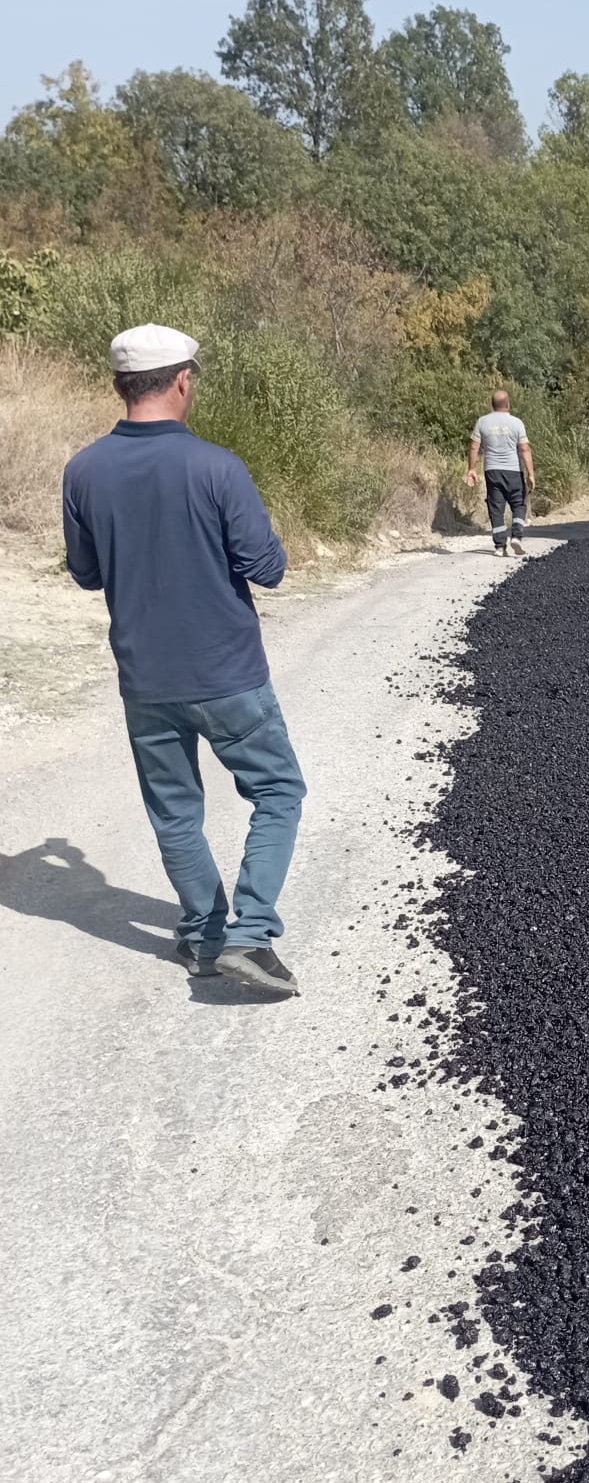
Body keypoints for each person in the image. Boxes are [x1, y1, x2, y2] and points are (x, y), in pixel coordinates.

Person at [61, 325, 306, 998]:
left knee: (175, 814)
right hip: (227, 675)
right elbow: (270, 569)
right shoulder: (217, 467)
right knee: (279, 792)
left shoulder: (83, 471)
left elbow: (85, 574)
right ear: (182, 381)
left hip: (145, 679)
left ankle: (204, 938)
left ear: (119, 386)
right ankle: (251, 937)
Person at [466, 391, 535, 558]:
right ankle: (516, 536)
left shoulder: (482, 422)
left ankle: (499, 547)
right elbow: (524, 449)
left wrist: (471, 469)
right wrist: (531, 474)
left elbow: (474, 447)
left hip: (492, 471)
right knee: (518, 504)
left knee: (496, 508)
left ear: (492, 405)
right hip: (513, 471)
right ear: (508, 404)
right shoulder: (517, 423)